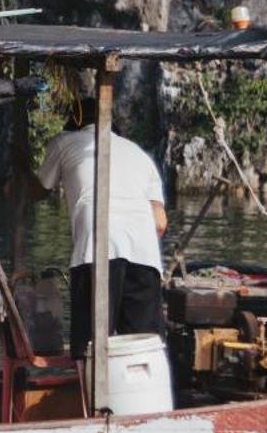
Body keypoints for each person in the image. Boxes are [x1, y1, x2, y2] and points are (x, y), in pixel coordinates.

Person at [35, 94, 168, 356]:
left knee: (90, 347)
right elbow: (160, 222)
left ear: (72, 121)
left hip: (96, 248)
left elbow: (40, 189)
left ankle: (89, 395)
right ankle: (141, 395)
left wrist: (15, 178)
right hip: (145, 253)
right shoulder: (137, 152)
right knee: (142, 349)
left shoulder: (64, 142)